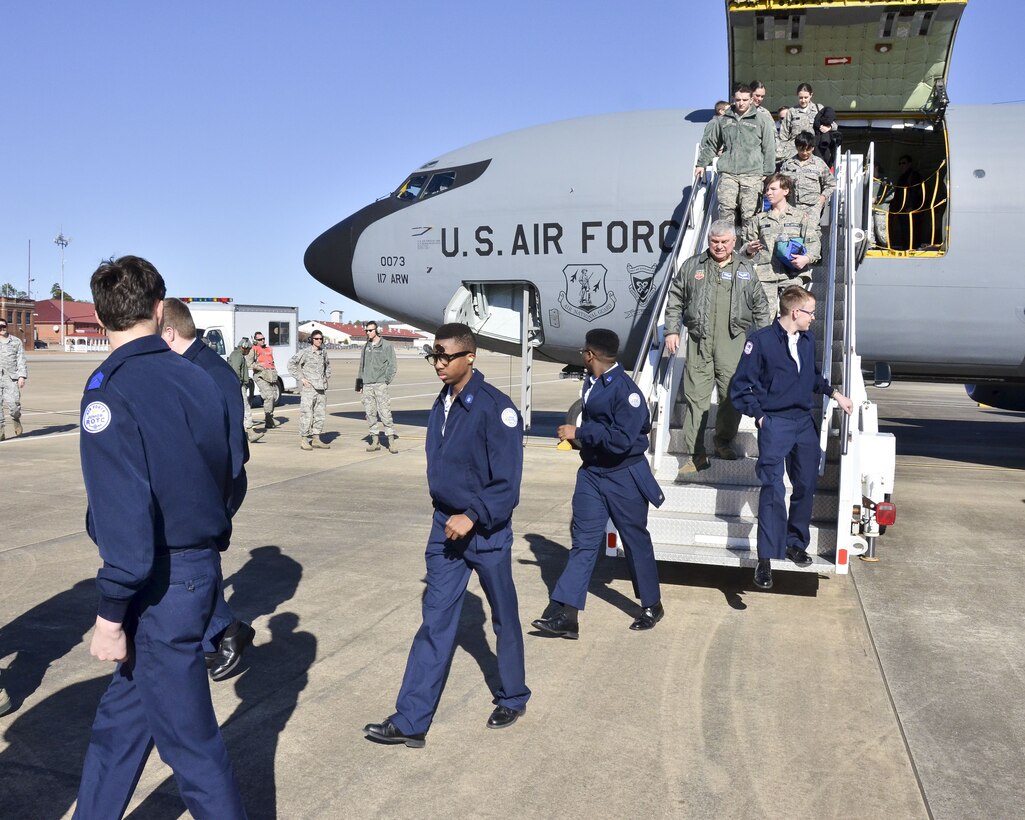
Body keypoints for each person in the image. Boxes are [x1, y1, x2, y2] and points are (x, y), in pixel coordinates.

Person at [73, 256, 245, 818]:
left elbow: (123, 513)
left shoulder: (109, 390)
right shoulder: (200, 376)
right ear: (157, 308)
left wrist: (110, 613)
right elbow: (232, 472)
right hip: (197, 568)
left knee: (192, 748)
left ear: (101, 317)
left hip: (156, 586)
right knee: (119, 727)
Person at [363, 323, 529, 747]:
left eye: (446, 356)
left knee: (503, 616)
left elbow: (507, 484)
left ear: (470, 357)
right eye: (434, 356)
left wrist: (472, 515)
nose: (438, 363)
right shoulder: (443, 402)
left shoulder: (496, 409)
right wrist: (448, 515)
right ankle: (411, 720)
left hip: (484, 532)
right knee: (435, 622)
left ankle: (513, 695)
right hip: (444, 530)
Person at [532, 328, 666, 638]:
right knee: (584, 542)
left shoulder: (626, 391)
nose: (582, 355)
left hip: (624, 475)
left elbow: (622, 440)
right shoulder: (592, 382)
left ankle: (652, 604)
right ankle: (568, 616)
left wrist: (579, 433)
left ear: (590, 355)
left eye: (583, 351)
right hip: (592, 474)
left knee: (634, 541)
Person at [730, 286, 854, 591]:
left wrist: (835, 394)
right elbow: (740, 388)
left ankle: (795, 543)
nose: (813, 318)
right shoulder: (760, 342)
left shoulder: (808, 340)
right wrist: (760, 416)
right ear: (795, 312)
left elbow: (811, 377)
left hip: (803, 423)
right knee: (773, 489)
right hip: (775, 423)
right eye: (810, 312)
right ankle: (765, 559)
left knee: (806, 484)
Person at [159, 297, 256, 683]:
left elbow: (231, 444)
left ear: (169, 333)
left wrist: (215, 499)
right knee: (196, 559)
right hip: (197, 485)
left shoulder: (211, 372)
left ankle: (227, 630)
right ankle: (214, 637)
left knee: (195, 558)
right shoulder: (187, 366)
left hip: (217, 485)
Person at [664, 221, 771, 478]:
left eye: (724, 242)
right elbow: (675, 298)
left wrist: (766, 343)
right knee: (695, 398)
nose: (719, 246)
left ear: (734, 242)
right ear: (708, 241)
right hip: (699, 341)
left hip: (733, 341)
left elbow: (760, 306)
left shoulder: (745, 269)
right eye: (715, 241)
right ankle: (696, 454)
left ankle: (723, 441)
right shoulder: (692, 266)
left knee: (731, 396)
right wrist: (671, 330)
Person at [695, 83, 776, 243]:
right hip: (729, 172)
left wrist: (767, 173)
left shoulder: (762, 120)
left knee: (750, 214)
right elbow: (712, 144)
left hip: (752, 173)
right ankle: (726, 247)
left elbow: (769, 147)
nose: (741, 103)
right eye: (738, 100)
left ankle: (748, 250)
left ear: (751, 100)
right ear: (733, 99)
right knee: (726, 211)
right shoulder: (723, 120)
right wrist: (701, 164)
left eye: (745, 100)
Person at [744, 172, 822, 317]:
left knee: (794, 315)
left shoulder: (801, 216)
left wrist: (806, 258)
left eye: (773, 189)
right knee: (764, 317)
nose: (768, 193)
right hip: (765, 275)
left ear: (785, 191)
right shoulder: (759, 219)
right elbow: (746, 245)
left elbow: (813, 242)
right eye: (767, 189)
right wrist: (748, 249)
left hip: (792, 275)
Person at [356, 320, 398, 453]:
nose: (368, 332)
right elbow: (361, 366)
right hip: (367, 385)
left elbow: (393, 365)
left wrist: (385, 381)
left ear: (377, 331)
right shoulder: (365, 347)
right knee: (370, 414)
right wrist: (359, 384)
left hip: (380, 384)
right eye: (366, 331)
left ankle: (391, 441)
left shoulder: (386, 345)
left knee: (385, 413)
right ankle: (375, 441)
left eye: (370, 330)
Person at [780, 131, 836, 229]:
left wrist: (822, 198)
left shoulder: (819, 163)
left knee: (810, 234)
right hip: (791, 208)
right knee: (792, 234)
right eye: (801, 149)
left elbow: (831, 184)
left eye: (808, 149)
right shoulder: (788, 164)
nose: (805, 153)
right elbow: (780, 183)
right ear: (797, 148)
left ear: (813, 148)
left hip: (812, 208)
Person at [288, 330, 332, 450]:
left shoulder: (323, 352)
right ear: (311, 340)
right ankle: (304, 440)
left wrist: (327, 376)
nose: (319, 341)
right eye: (316, 339)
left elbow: (327, 365)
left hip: (321, 389)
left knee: (320, 415)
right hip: (309, 389)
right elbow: (291, 364)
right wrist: (301, 378)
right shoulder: (305, 352)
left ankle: (316, 438)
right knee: (306, 414)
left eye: (321, 339)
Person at [778, 83, 836, 162]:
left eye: (806, 97)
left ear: (811, 95)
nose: (803, 100)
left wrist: (829, 127)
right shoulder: (791, 111)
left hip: (813, 152)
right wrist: (783, 153)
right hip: (794, 152)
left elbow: (834, 125)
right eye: (800, 98)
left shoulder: (818, 109)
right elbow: (783, 135)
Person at [228, 337, 263, 443]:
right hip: (238, 386)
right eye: (248, 349)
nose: (249, 351)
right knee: (245, 408)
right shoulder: (237, 355)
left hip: (236, 386)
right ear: (244, 347)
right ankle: (250, 432)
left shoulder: (236, 355)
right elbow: (236, 370)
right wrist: (238, 384)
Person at [0, 318, 27, 441]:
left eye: (3, 326)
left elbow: (21, 359)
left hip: (11, 378)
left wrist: (22, 376)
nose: (2, 329)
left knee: (14, 405)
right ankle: (1, 431)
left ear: (7, 326)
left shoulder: (16, 342)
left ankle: (16, 419)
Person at [249, 330, 279, 430]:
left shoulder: (268, 349)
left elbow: (272, 362)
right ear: (255, 341)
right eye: (260, 339)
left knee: (273, 397)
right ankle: (269, 418)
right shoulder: (253, 349)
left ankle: (269, 418)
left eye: (263, 339)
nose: (262, 340)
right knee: (269, 396)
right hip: (260, 376)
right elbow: (249, 363)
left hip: (271, 376)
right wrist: (260, 367)